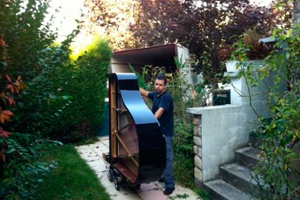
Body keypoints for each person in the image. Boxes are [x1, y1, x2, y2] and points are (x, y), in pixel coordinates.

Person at [140, 74, 175, 196]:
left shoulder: (166, 97)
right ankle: (162, 177)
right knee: (159, 155)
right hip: (158, 132)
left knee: (167, 158)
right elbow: (145, 93)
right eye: (156, 84)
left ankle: (170, 185)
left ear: (165, 86)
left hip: (165, 133)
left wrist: (149, 123)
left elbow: (158, 113)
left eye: (160, 85)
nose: (158, 87)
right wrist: (133, 87)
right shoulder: (156, 95)